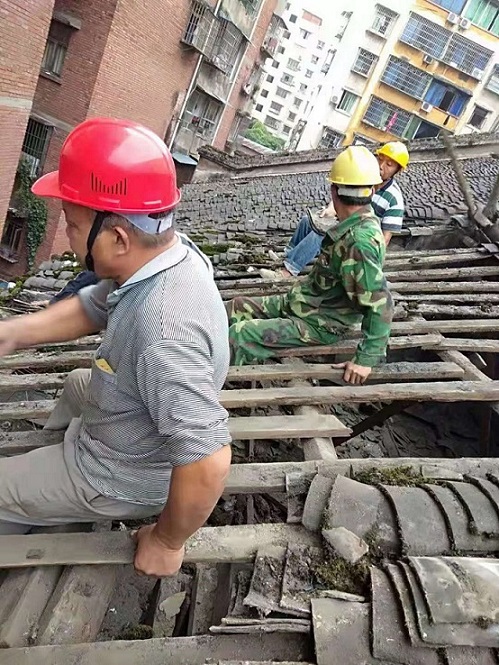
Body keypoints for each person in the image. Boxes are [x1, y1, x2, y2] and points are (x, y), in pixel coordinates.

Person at [0, 117, 231, 578]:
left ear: (118, 238)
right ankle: (44, 478)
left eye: (72, 224)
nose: (67, 235)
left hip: (121, 474)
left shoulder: (164, 330)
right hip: (133, 424)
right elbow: (95, 306)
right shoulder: (167, 255)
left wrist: (166, 541)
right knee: (77, 382)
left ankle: (37, 501)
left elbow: (208, 460)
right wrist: (11, 334)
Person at [226, 146, 394, 385]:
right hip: (305, 304)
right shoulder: (357, 224)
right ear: (373, 190)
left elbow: (381, 303)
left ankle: (220, 385)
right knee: (236, 306)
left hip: (321, 323)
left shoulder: (359, 242)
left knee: (240, 334)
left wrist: (366, 358)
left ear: (334, 191)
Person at [261, 141, 409, 281]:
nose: (381, 166)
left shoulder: (394, 200)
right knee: (307, 221)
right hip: (343, 223)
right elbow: (342, 192)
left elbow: (384, 239)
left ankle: (287, 271)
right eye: (380, 159)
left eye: (389, 165)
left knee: (320, 234)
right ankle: (287, 255)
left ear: (397, 170)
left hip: (357, 239)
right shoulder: (363, 178)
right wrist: (330, 209)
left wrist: (367, 260)